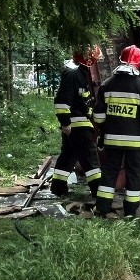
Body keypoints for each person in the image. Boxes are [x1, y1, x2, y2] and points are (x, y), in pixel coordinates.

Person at [91, 45, 140, 219]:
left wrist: (103, 132)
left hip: (112, 141)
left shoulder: (107, 85)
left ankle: (102, 209)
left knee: (109, 173)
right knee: (134, 174)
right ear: (139, 64)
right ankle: (130, 212)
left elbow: (98, 116)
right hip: (137, 144)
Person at [50, 45, 103, 203]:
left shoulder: (79, 70)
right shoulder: (73, 73)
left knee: (68, 156)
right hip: (76, 125)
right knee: (91, 159)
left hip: (77, 123)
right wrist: (65, 122)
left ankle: (58, 188)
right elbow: (62, 100)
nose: (95, 61)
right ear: (88, 59)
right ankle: (99, 193)